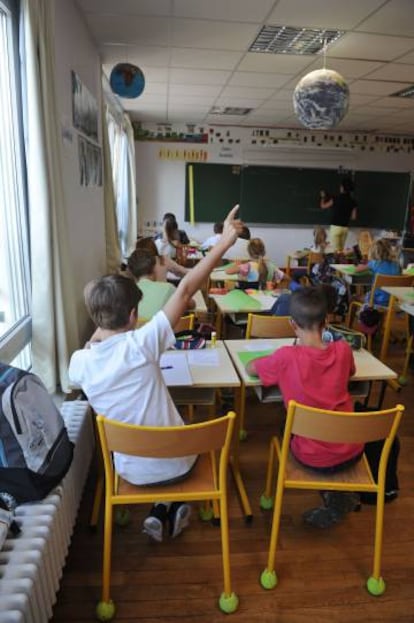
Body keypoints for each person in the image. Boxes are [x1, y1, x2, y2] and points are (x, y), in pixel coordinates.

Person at [68, 205, 243, 543]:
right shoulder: (143, 343)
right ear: (134, 315)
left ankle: (161, 509)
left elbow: (91, 347)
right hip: (179, 461)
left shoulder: (80, 363)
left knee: (155, 454)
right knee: (174, 447)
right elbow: (186, 289)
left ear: (95, 318)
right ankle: (169, 504)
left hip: (129, 469)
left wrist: (98, 330)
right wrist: (223, 243)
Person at [246, 287, 362, 528]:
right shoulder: (343, 350)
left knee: (284, 424)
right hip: (352, 450)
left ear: (292, 324)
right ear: (327, 321)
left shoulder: (285, 357)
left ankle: (332, 494)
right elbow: (352, 372)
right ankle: (336, 495)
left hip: (312, 458)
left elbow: (251, 369)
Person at [127, 248, 195, 319]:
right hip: (167, 329)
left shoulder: (126, 293)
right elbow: (192, 305)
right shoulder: (168, 288)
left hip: (137, 329)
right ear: (154, 268)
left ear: (132, 273)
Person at [355, 238, 401, 306]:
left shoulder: (375, 263)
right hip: (392, 302)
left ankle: (358, 315)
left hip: (376, 301)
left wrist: (365, 264)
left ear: (374, 251)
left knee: (355, 297)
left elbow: (357, 269)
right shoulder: (396, 265)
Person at [320, 177, 357, 252]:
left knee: (334, 251)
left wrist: (323, 197)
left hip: (335, 228)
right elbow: (353, 217)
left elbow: (323, 206)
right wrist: (345, 215)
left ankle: (336, 263)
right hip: (345, 229)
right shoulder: (353, 202)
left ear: (342, 188)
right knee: (340, 251)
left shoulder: (336, 199)